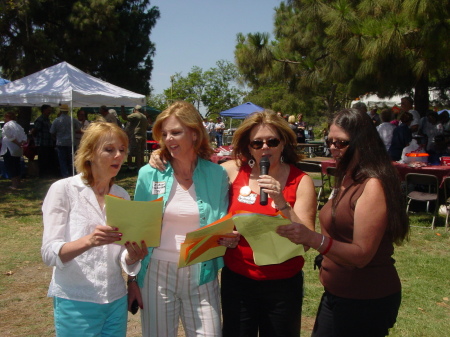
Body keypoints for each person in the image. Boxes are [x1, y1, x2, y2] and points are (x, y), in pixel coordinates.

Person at [276, 108, 409, 337]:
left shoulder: (372, 184)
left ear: (362, 142)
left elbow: (361, 255)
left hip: (365, 298)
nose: (333, 148)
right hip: (338, 293)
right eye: (330, 141)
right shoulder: (346, 176)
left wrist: (313, 239)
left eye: (342, 143)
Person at [128, 101, 230, 337]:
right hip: (157, 272)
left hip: (202, 272)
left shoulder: (217, 174)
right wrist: (132, 278)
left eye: (176, 132)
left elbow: (222, 222)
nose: (169, 139)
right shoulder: (149, 173)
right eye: (164, 134)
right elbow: (136, 230)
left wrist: (228, 237)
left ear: (194, 133)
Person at [41, 122, 148, 336]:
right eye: (109, 149)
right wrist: (89, 241)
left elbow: (120, 252)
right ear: (89, 153)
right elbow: (49, 253)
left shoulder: (121, 194)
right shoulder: (63, 190)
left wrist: (133, 256)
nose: (118, 155)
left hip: (115, 299)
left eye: (122, 150)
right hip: (76, 300)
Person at [220, 110, 316, 337]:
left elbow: (307, 241)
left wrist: (282, 202)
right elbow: (195, 170)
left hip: (282, 284)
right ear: (248, 146)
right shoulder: (232, 171)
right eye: (257, 143)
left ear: (283, 143)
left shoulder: (301, 181)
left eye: (272, 141)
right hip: (238, 280)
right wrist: (161, 156)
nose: (265, 148)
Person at [50, 104, 81, 177]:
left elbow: (52, 132)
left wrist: (56, 138)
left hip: (61, 143)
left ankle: (65, 175)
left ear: (60, 110)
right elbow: (80, 128)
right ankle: (73, 174)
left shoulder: (56, 121)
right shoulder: (72, 120)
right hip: (71, 143)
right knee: (72, 160)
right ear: (67, 111)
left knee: (62, 161)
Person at [0, 111, 27, 189]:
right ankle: (18, 182)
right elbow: (24, 137)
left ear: (8, 117)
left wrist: (18, 143)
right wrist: (21, 143)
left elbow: (10, 137)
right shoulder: (19, 126)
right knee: (16, 165)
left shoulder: (7, 125)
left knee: (10, 166)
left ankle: (14, 184)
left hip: (9, 148)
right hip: (17, 149)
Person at [32, 104, 57, 178]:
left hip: (49, 143)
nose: (50, 111)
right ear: (44, 110)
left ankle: (48, 173)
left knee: (48, 159)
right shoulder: (40, 119)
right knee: (43, 159)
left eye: (50, 110)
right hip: (42, 143)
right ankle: (42, 174)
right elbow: (35, 130)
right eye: (48, 110)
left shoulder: (47, 119)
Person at [121, 105, 148, 169]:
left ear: (135, 110)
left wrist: (122, 108)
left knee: (135, 152)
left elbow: (124, 117)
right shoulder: (144, 117)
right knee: (141, 153)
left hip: (136, 136)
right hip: (143, 136)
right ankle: (141, 166)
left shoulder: (136, 115)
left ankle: (138, 167)